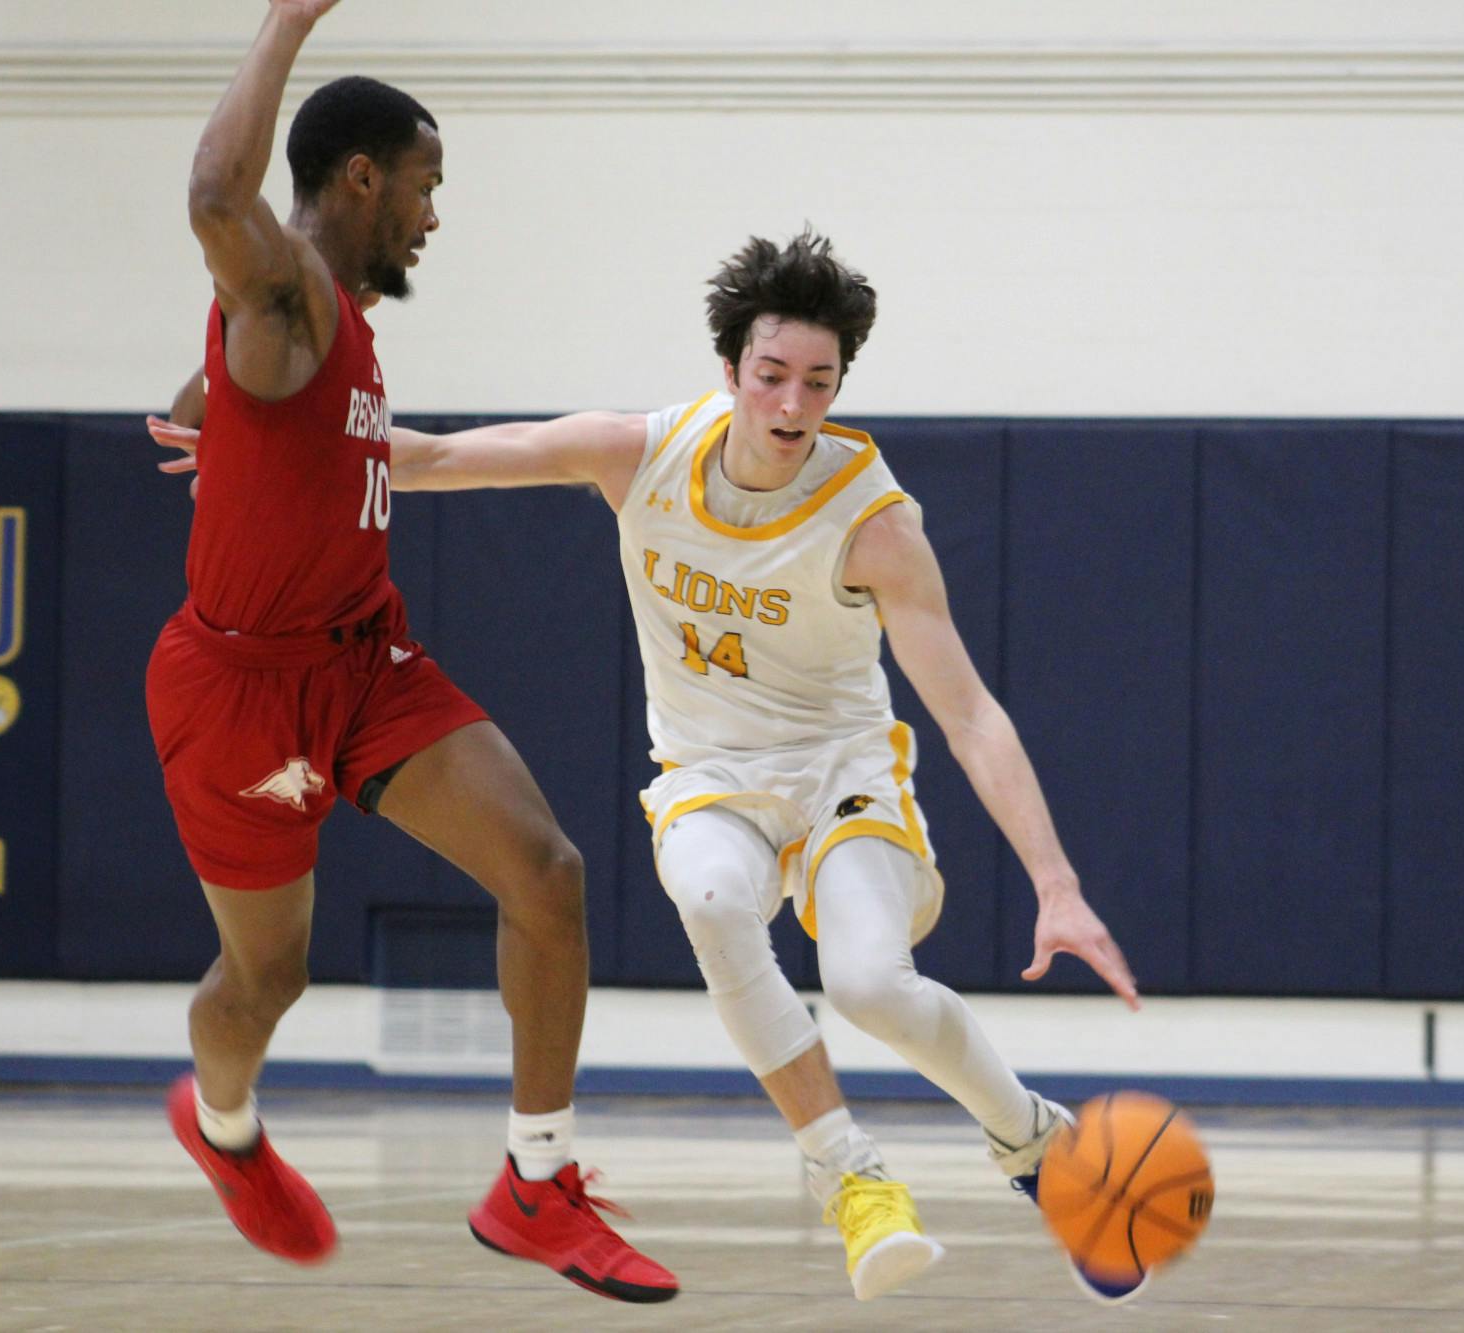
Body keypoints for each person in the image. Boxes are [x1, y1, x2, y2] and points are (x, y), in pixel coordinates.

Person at [152, 229, 1141, 1305]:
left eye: (818, 380)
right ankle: (848, 1176)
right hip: (710, 780)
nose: (791, 401)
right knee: (712, 894)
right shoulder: (641, 451)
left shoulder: (874, 525)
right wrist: (262, 445)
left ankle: (1032, 1143)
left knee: (866, 984)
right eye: (770, 374)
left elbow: (972, 717)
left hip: (839, 780)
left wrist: (1056, 884)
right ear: (728, 371)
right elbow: (427, 457)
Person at [146, 0, 675, 1303]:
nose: (438, 216)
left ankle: (534, 1184)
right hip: (241, 699)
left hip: (367, 665)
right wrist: (286, 24)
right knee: (265, 979)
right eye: (427, 185)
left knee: (548, 876)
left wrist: (205, 401)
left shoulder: (329, 326)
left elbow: (241, 387)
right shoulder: (290, 290)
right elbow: (218, 189)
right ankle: (220, 1126)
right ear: (363, 176)